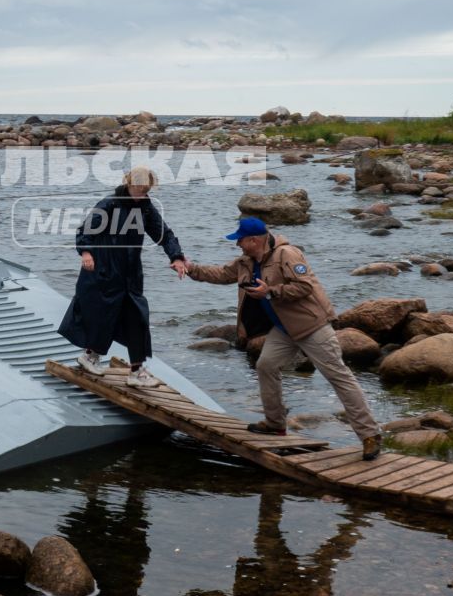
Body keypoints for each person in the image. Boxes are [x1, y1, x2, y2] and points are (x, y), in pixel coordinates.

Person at [185, 216, 384, 459]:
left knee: (338, 377)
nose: (237, 245)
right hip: (284, 329)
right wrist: (190, 268)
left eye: (240, 240)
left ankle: (370, 435)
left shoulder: (287, 254)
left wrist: (270, 292)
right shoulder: (247, 262)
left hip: (312, 326)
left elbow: (304, 287)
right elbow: (220, 274)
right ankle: (275, 424)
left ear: (255, 240)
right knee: (266, 365)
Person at [58, 167, 189, 388]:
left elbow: (164, 234)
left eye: (146, 190)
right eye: (139, 189)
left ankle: (137, 371)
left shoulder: (146, 208)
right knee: (103, 315)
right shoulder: (110, 204)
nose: (142, 193)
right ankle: (90, 356)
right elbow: (84, 230)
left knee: (137, 317)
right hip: (104, 268)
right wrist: (86, 252)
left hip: (130, 272)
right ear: (129, 184)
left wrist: (176, 256)